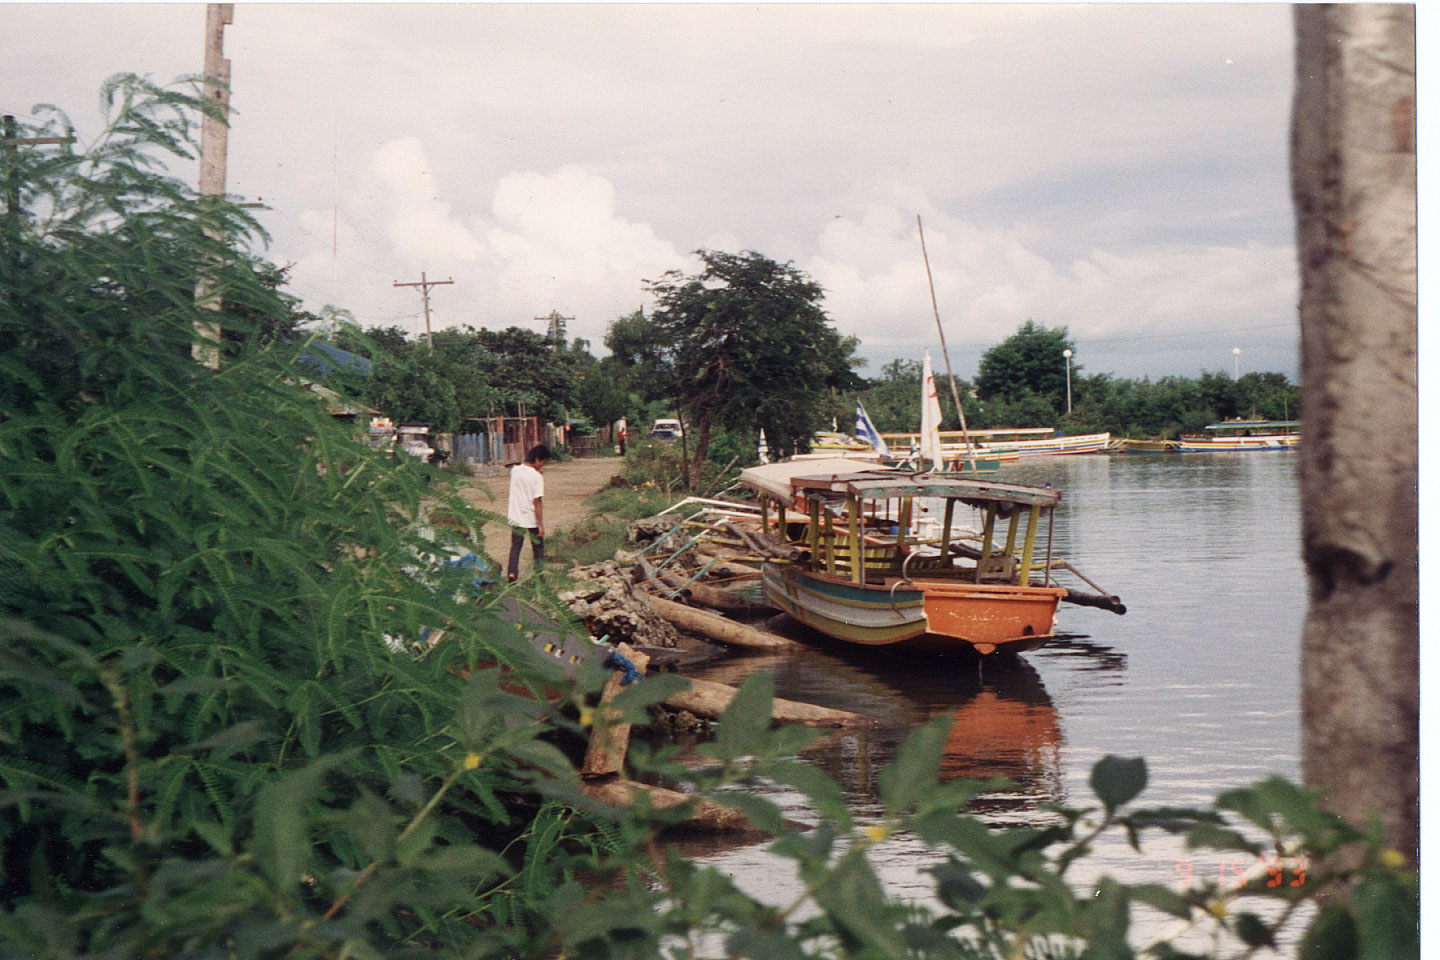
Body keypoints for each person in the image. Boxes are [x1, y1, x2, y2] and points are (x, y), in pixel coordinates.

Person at [506, 444, 550, 581]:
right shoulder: (537, 478)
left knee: (516, 546)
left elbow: (524, 473)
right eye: (542, 462)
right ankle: (539, 576)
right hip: (531, 517)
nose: (542, 465)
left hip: (515, 516)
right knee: (538, 547)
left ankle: (512, 572)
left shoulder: (515, 470)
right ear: (537, 459)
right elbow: (538, 502)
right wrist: (541, 524)